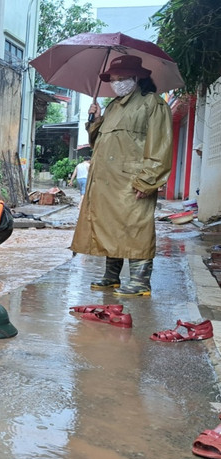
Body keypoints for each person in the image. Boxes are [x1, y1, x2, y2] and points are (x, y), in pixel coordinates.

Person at [71, 55, 173, 296]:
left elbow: (160, 146)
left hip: (132, 180)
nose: (116, 83)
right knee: (110, 226)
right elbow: (98, 142)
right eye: (113, 79)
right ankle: (112, 275)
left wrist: (149, 179)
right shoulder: (113, 106)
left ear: (136, 78)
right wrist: (94, 120)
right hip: (106, 181)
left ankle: (140, 281)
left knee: (135, 227)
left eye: (121, 78)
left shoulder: (153, 104)